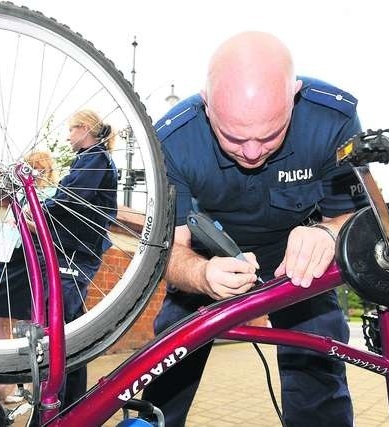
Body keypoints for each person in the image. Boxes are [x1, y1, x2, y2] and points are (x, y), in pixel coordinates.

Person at [140, 32, 369, 427]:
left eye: (269, 135)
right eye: (233, 137)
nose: (251, 152)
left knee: (318, 359)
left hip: (300, 256)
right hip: (210, 254)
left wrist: (329, 234)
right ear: (206, 105)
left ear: (294, 98)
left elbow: (359, 218)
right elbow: (167, 250)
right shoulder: (172, 140)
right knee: (167, 362)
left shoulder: (333, 120)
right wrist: (200, 274)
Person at [0, 110, 118, 408]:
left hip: (76, 253)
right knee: (67, 328)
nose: (67, 136)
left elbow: (70, 198)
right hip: (71, 249)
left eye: (71, 129)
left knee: (60, 328)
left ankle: (58, 405)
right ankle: (67, 404)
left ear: (85, 128)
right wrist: (40, 222)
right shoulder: (90, 159)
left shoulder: (96, 157)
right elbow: (71, 207)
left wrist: (39, 210)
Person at [0, 150, 58, 404]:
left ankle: (22, 382)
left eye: (34, 167)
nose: (30, 172)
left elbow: (46, 231)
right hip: (8, 256)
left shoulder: (51, 197)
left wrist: (21, 222)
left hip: (30, 259)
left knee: (25, 323)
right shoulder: (19, 195)